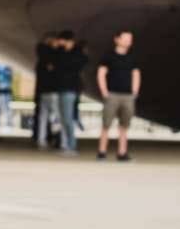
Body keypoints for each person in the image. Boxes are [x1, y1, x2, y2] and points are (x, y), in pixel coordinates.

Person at [96, 30, 140, 161]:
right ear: (117, 39)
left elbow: (136, 74)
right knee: (106, 124)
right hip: (112, 94)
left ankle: (122, 152)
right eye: (125, 38)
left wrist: (135, 91)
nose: (128, 41)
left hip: (127, 96)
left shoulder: (132, 57)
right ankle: (102, 151)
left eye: (130, 39)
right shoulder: (108, 56)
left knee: (124, 125)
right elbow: (101, 73)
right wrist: (104, 90)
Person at [52, 31, 86, 154]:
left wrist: (68, 49)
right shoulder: (60, 53)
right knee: (63, 119)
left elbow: (77, 63)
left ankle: (71, 146)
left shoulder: (76, 54)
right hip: (61, 89)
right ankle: (66, 144)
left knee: (68, 118)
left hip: (70, 90)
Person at [34, 33, 60, 150]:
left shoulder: (41, 60)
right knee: (55, 117)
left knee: (43, 117)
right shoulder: (53, 57)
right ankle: (57, 138)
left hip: (43, 91)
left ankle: (41, 140)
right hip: (53, 91)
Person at [0, 63, 13, 128]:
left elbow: (10, 78)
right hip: (0, 89)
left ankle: (8, 122)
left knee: (6, 107)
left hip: (5, 89)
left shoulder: (6, 68)